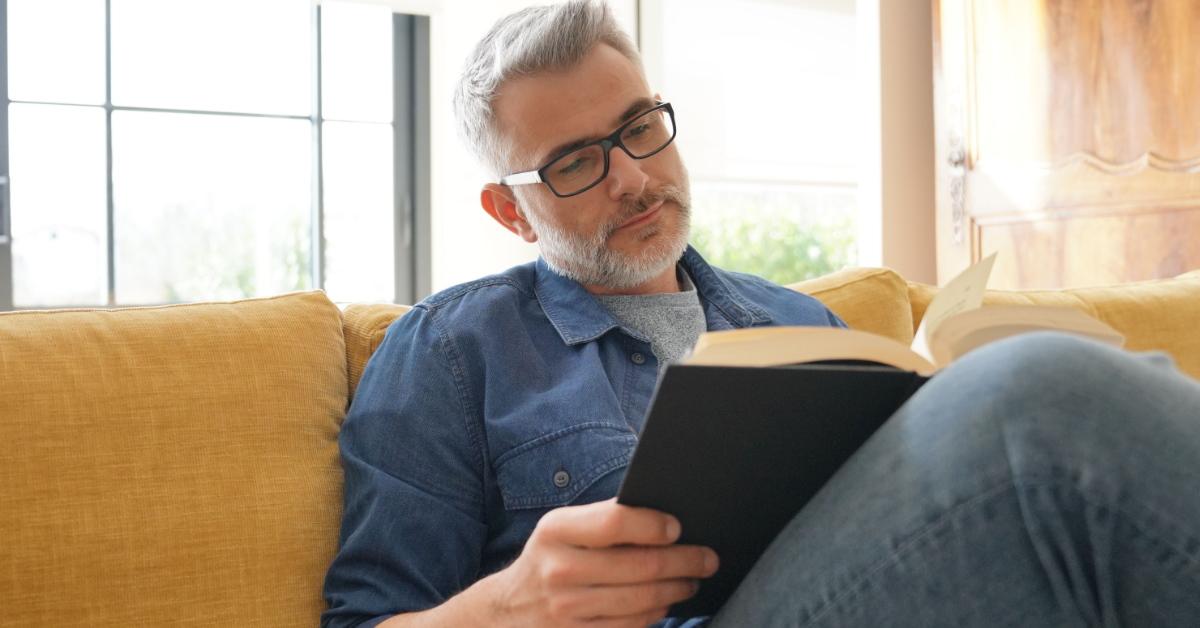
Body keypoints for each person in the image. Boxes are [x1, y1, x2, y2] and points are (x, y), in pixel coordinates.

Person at [321, 2, 1200, 626]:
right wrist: (509, 608)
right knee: (1042, 399)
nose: (631, 174)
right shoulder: (447, 350)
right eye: (576, 164)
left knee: (1092, 458)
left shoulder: (796, 323)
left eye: (638, 128)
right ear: (510, 211)